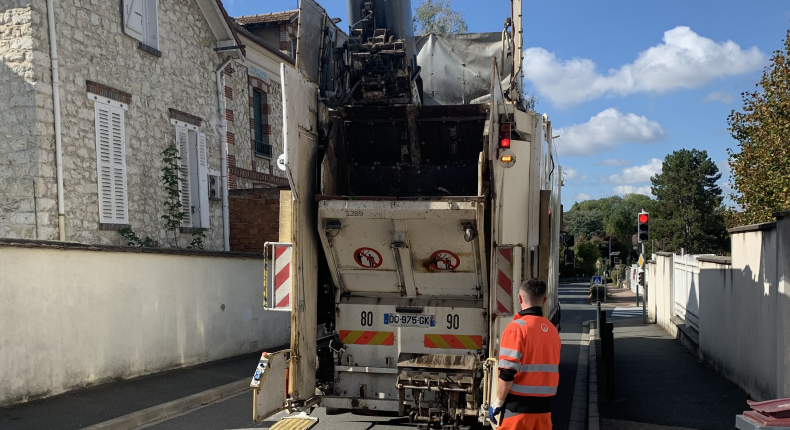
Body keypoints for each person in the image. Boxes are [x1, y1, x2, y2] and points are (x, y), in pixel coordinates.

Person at [488, 278, 561, 430]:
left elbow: (507, 372)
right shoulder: (552, 330)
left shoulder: (517, 328)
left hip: (517, 412)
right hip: (544, 411)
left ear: (520, 298)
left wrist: (498, 403)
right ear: (544, 300)